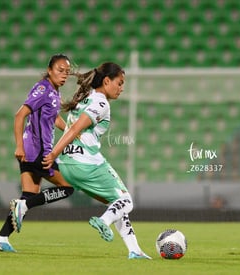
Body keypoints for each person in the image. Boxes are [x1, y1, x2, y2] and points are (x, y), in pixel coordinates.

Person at [11, 62, 151, 259]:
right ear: (107, 81)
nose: (122, 88)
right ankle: (103, 221)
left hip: (68, 166)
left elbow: (68, 126)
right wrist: (52, 154)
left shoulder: (84, 97)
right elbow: (75, 129)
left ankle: (134, 250)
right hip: (86, 163)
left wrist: (58, 154)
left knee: (115, 203)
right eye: (119, 83)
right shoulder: (101, 103)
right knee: (126, 201)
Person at [0, 54, 74, 252]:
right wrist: (18, 145)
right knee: (68, 187)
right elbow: (20, 115)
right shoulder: (43, 89)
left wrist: (72, 132)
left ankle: (1, 237)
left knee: (29, 194)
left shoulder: (54, 92)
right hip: (37, 151)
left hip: (32, 150)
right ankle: (22, 206)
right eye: (60, 70)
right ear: (50, 70)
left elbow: (53, 118)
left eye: (67, 72)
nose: (64, 75)